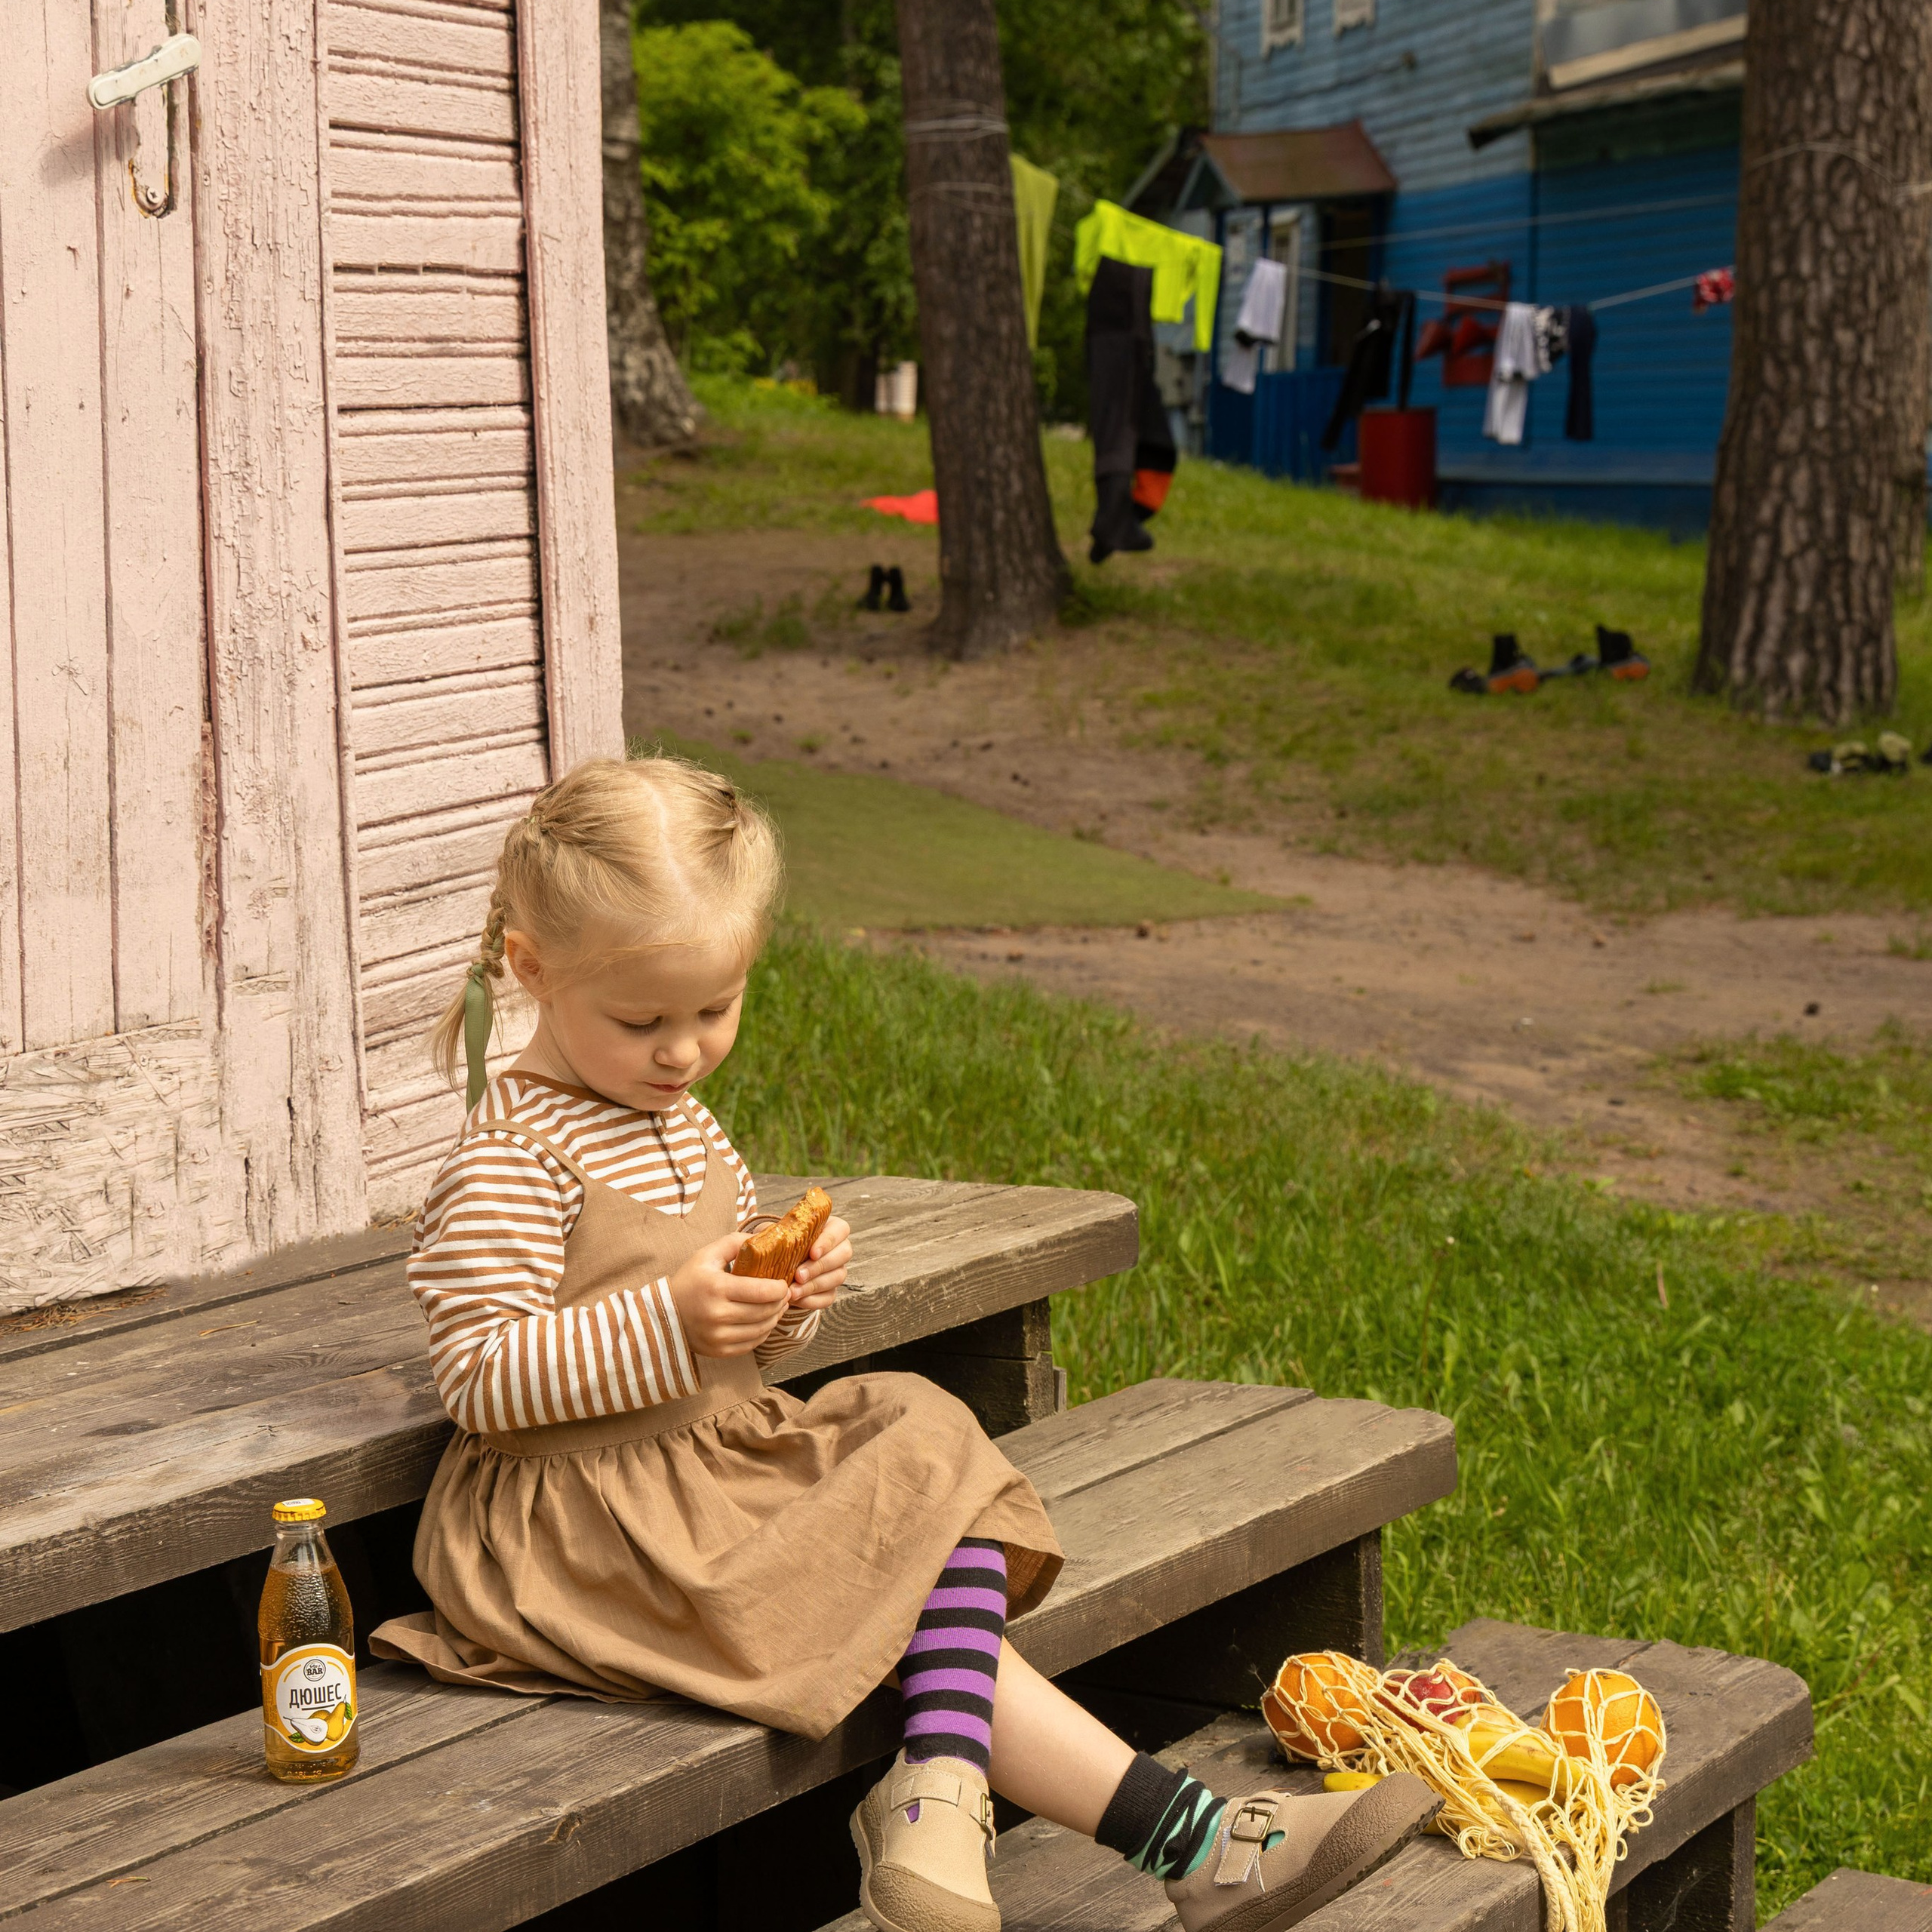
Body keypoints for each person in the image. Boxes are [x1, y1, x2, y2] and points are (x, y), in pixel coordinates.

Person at [371, 756, 1438, 1932]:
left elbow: (730, 1343)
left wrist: (787, 1306)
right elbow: (479, 1378)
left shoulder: (676, 1123)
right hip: (582, 1525)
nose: (683, 1052)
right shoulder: (510, 1162)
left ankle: (945, 1787)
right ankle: (1186, 1844)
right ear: (531, 969)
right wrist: (666, 1322)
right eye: (643, 1021)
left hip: (703, 1467)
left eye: (715, 1011)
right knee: (905, 1564)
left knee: (921, 1422)